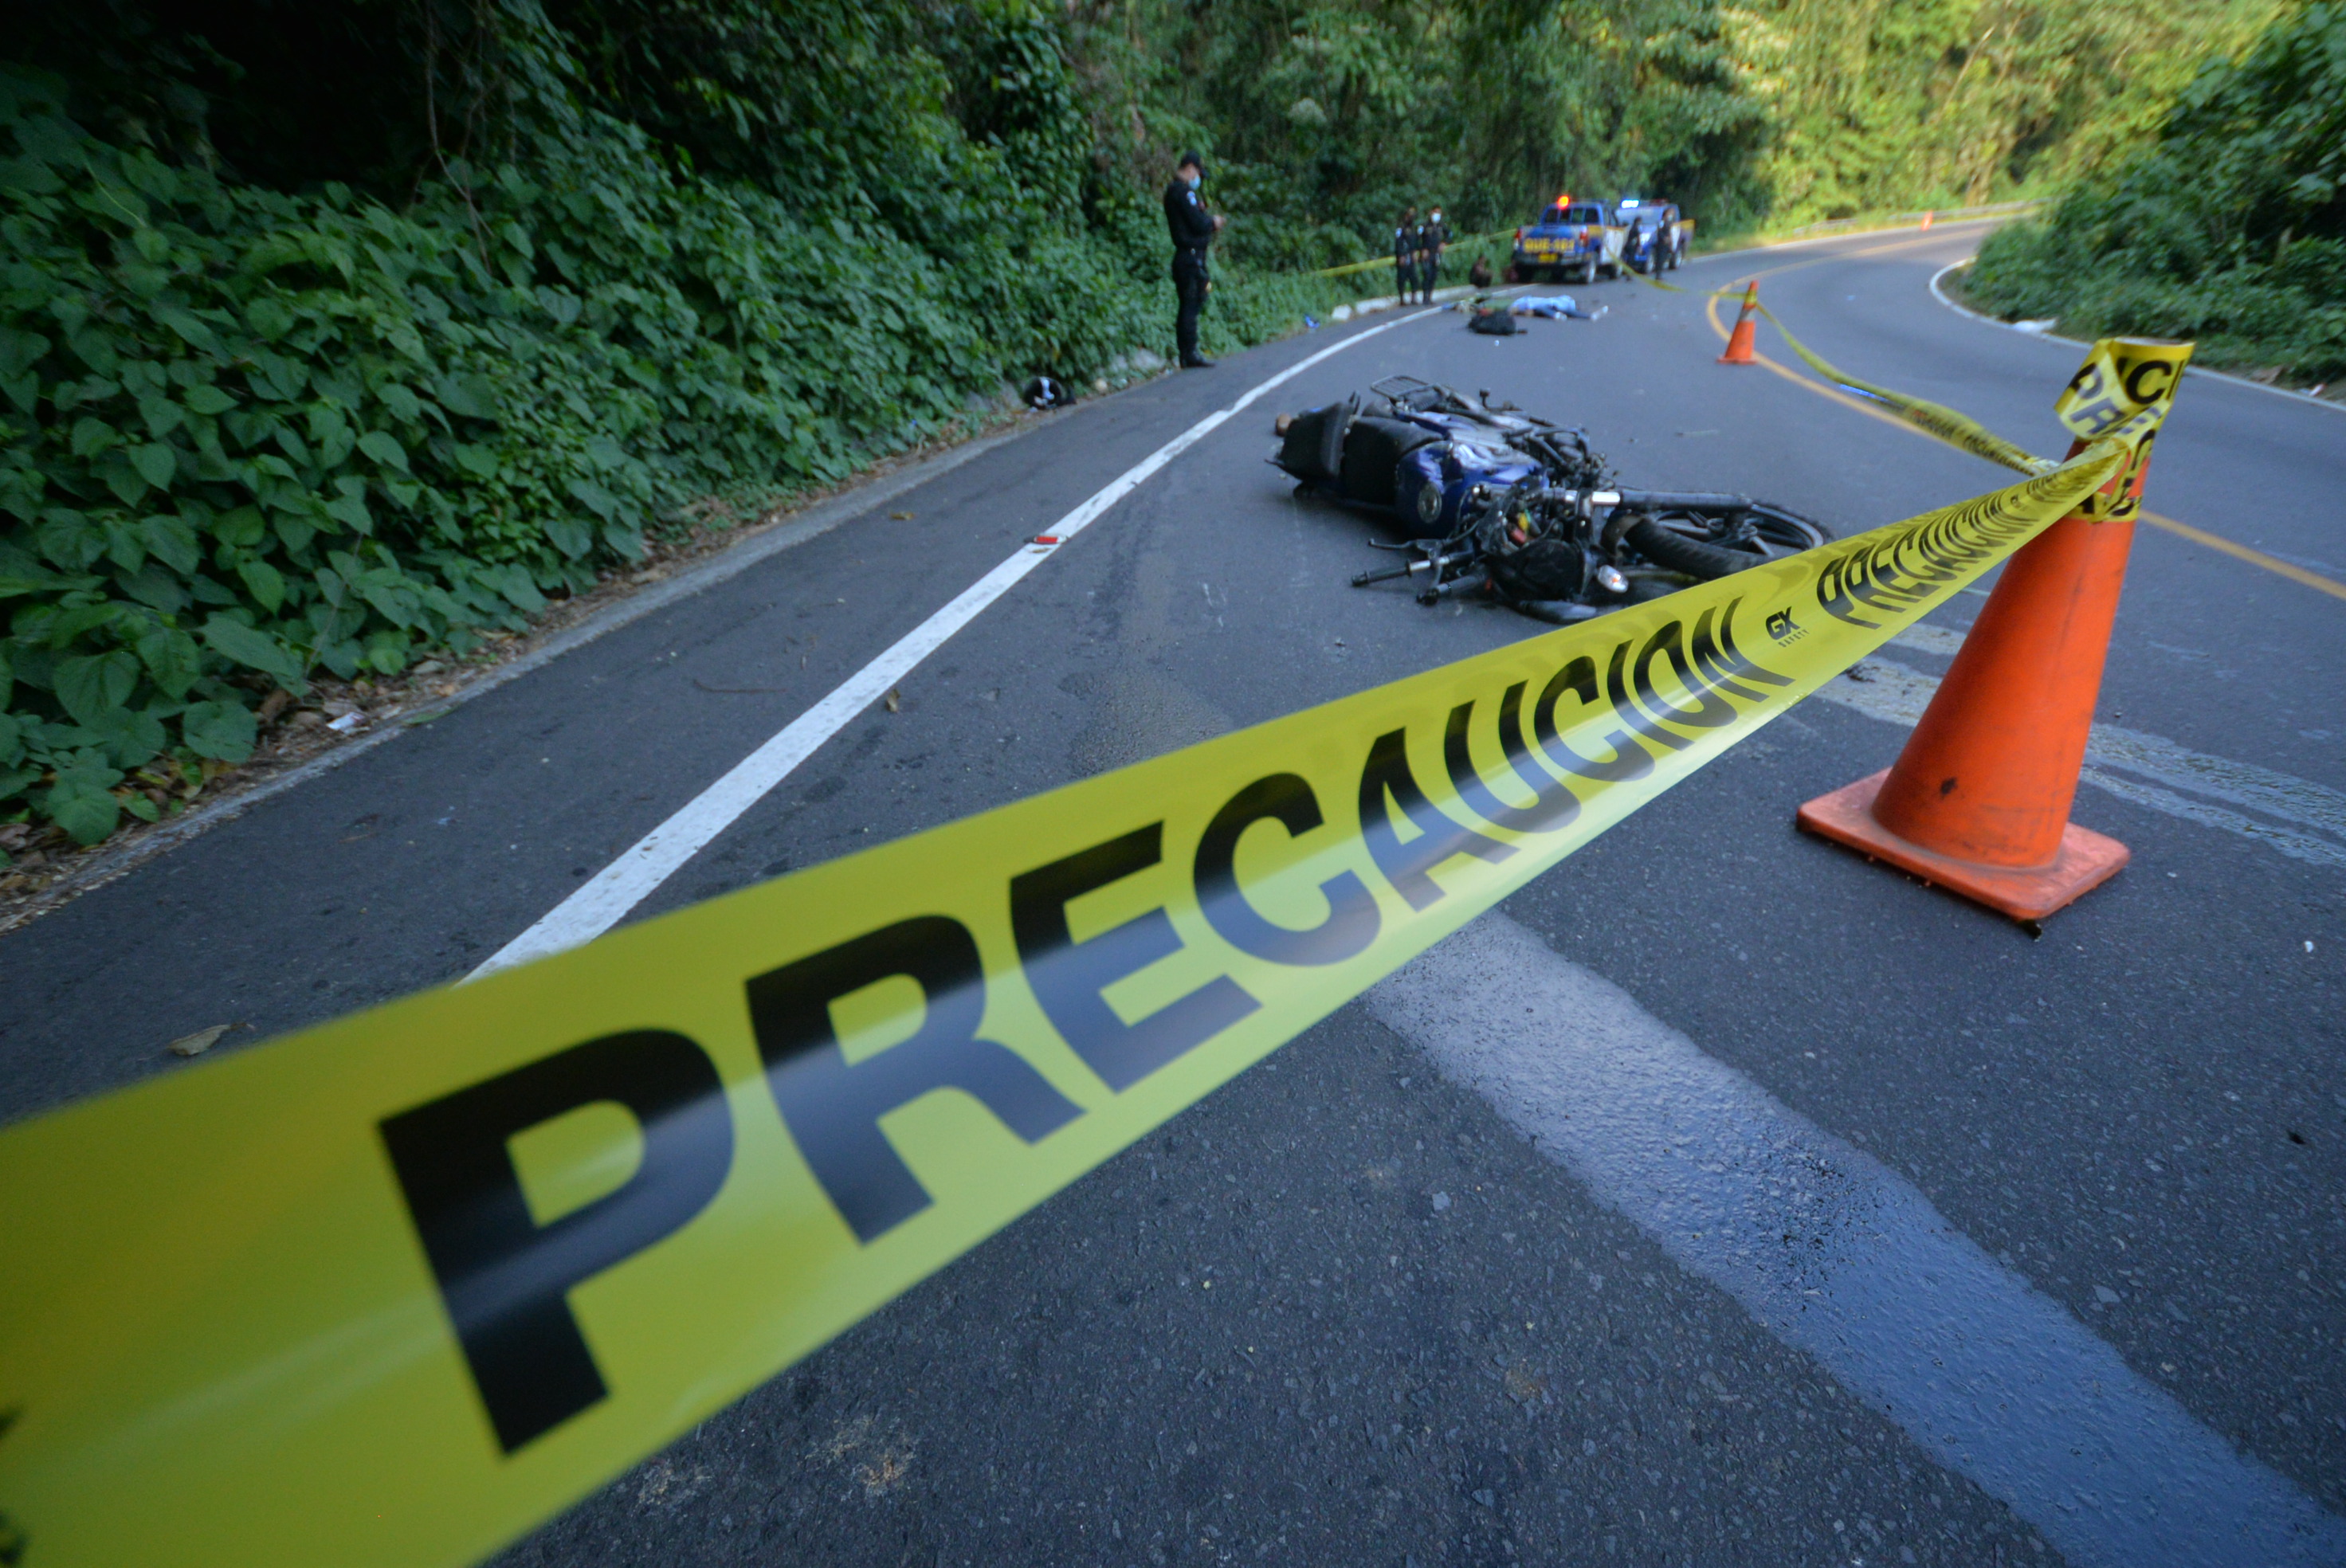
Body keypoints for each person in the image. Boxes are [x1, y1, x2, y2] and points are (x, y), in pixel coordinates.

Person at [1163, 152, 1224, 369]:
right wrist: (1212, 222)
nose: (1197, 177)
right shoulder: (1183, 192)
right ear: (1190, 168)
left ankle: (1187, 352)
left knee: (1191, 303)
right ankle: (1189, 353)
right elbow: (1198, 224)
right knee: (1191, 304)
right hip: (1190, 257)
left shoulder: (1173, 192)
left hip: (1187, 256)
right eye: (1197, 173)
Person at [1418, 206, 1450, 303]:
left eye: (1439, 213)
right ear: (1431, 213)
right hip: (1427, 254)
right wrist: (1422, 250)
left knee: (1434, 275)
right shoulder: (1424, 226)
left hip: (1436, 254)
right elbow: (1417, 238)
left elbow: (1450, 234)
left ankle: (1430, 296)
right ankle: (1425, 296)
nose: (1437, 215)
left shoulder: (1441, 226)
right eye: (1436, 212)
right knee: (1427, 274)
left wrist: (1444, 243)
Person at [1393, 206, 1419, 307]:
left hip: (1411, 256)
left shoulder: (1414, 229)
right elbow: (1398, 242)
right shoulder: (1400, 228)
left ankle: (1414, 297)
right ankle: (1402, 298)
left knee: (1414, 277)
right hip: (1403, 256)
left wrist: (1415, 252)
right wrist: (1401, 255)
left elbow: (1415, 242)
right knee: (1402, 278)